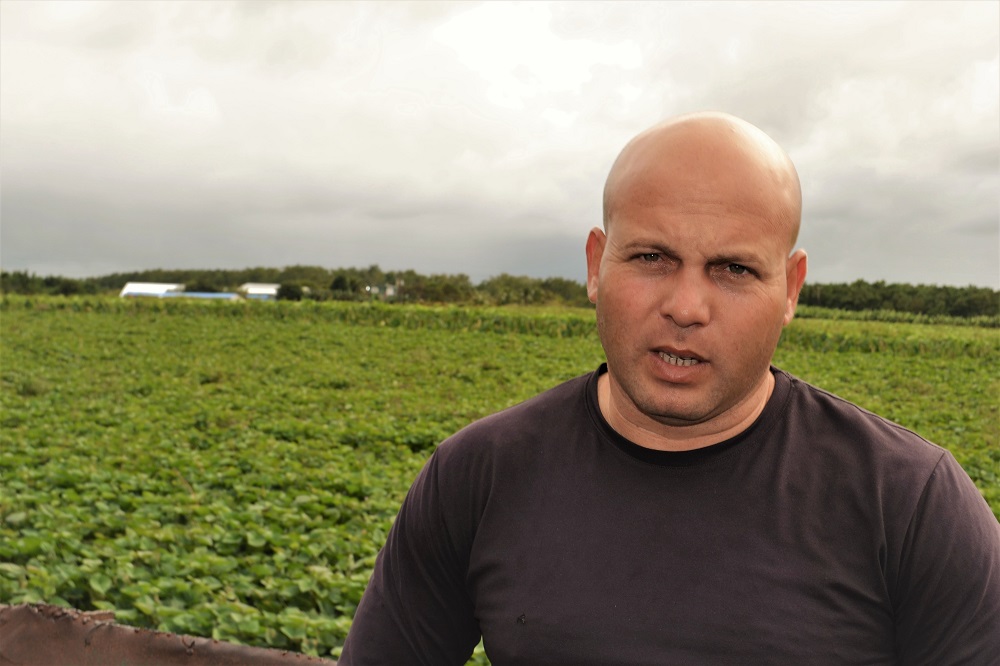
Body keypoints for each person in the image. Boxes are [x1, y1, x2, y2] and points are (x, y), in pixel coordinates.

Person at [339, 112, 1000, 664]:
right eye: (652, 258)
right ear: (597, 266)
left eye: (733, 269)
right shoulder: (478, 474)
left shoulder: (911, 501)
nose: (686, 306)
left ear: (791, 289)